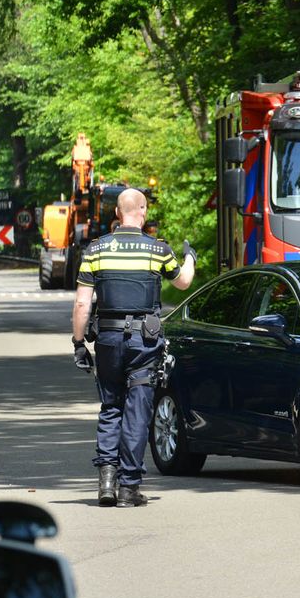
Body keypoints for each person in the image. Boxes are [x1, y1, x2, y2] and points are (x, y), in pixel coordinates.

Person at [71, 189, 196, 507]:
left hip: (109, 341)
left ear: (117, 213)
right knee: (137, 412)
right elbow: (183, 283)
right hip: (145, 342)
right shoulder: (157, 250)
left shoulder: (96, 249)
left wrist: (78, 343)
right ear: (143, 211)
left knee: (111, 407)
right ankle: (129, 487)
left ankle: (107, 482)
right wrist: (190, 258)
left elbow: (83, 303)